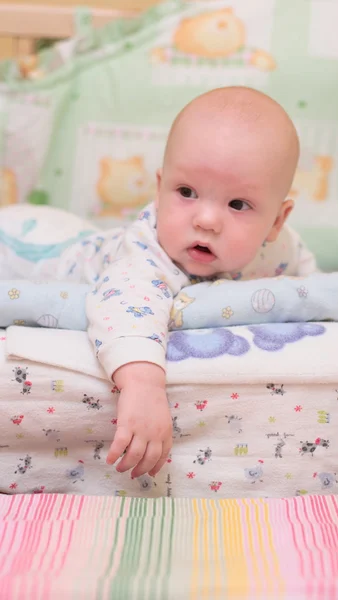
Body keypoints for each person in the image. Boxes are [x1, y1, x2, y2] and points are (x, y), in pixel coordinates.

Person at [0, 86, 318, 480]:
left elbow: (312, 290)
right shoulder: (147, 252)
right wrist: (143, 385)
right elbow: (127, 304)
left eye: (238, 204)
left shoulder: (282, 249)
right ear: (159, 187)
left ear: (276, 221)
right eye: (186, 192)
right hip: (48, 256)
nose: (206, 220)